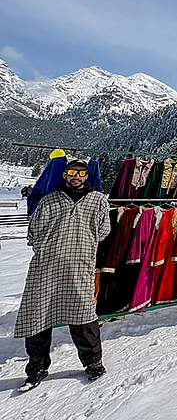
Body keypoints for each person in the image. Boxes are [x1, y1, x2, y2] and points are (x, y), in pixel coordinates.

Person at [14, 159, 111, 391]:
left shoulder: (98, 200)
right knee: (37, 316)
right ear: (65, 175)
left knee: (84, 318)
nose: (76, 177)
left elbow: (103, 231)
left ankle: (93, 364)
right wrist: (50, 250)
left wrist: (81, 246)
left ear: (87, 176)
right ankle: (36, 368)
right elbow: (33, 232)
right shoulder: (49, 200)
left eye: (81, 173)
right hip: (45, 268)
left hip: (79, 267)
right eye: (71, 172)